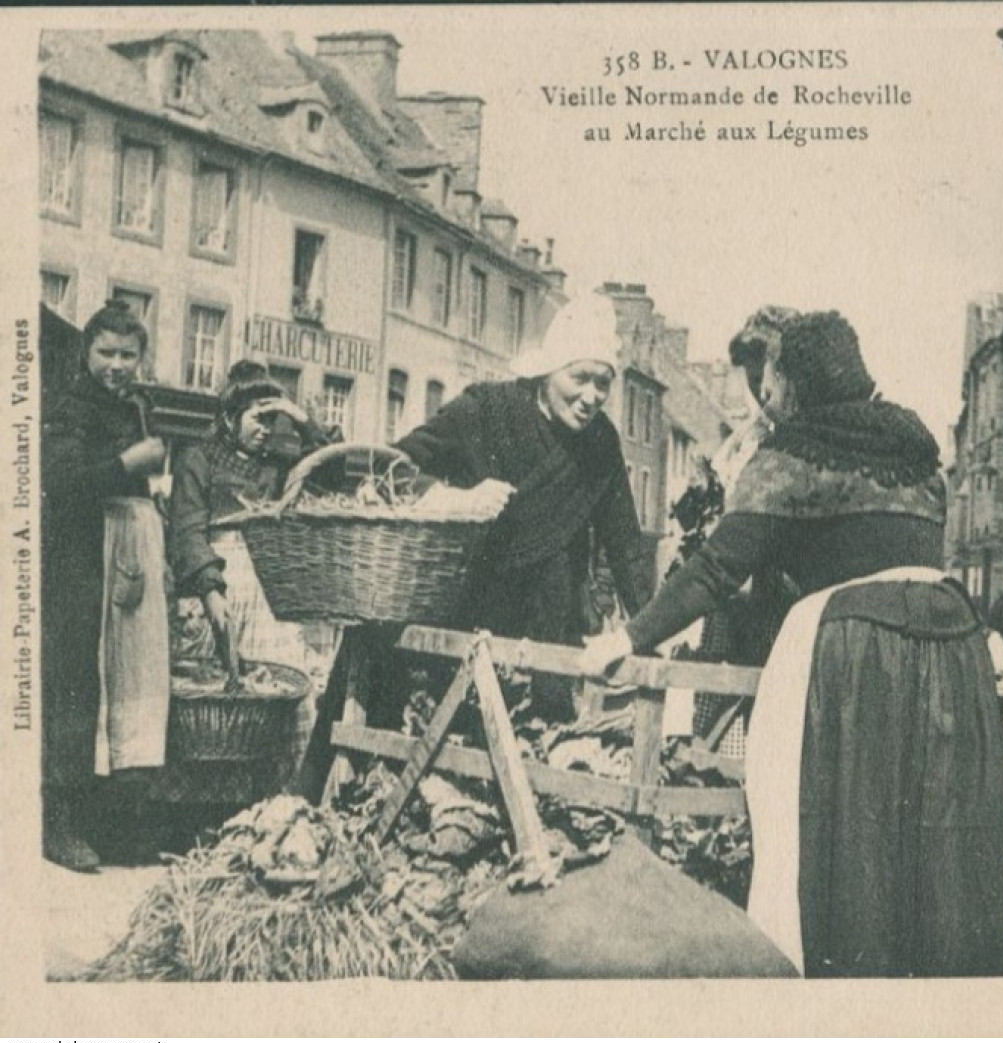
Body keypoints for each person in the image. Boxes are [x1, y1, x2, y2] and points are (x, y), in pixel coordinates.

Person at [579, 311, 1003, 978]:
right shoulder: (917, 451)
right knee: (931, 837)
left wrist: (627, 637)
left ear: (795, 380)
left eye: (773, 375)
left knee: (834, 828)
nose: (767, 392)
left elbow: (717, 568)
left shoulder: (791, 455)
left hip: (852, 647)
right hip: (948, 641)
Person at [392, 289, 646, 715]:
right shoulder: (486, 409)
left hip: (548, 627)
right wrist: (453, 500)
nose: (591, 397)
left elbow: (626, 547)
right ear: (548, 371)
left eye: (603, 383)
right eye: (579, 378)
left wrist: (647, 631)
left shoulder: (601, 441)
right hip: (467, 611)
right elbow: (394, 467)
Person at [163, 362, 339, 803]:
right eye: (258, 419)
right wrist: (208, 588)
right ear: (230, 416)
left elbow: (333, 471)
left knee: (284, 690)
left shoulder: (277, 466)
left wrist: (301, 419)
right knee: (211, 704)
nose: (266, 430)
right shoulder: (196, 458)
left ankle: (284, 803)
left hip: (266, 589)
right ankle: (198, 812)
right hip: (216, 587)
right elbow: (187, 529)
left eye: (271, 420)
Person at [41, 300, 170, 871]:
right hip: (81, 562)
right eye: (106, 353)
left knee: (129, 688)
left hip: (129, 563)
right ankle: (60, 826)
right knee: (77, 687)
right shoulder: (69, 406)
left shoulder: (135, 407)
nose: (117, 365)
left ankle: (114, 829)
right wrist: (128, 461)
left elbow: (145, 491)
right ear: (87, 351)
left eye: (128, 354)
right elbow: (62, 484)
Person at [679, 306, 802, 757]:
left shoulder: (797, 439)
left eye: (763, 376)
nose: (758, 391)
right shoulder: (745, 438)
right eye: (750, 379)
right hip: (730, 597)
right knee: (711, 715)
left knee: (773, 721)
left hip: (781, 600)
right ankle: (708, 806)